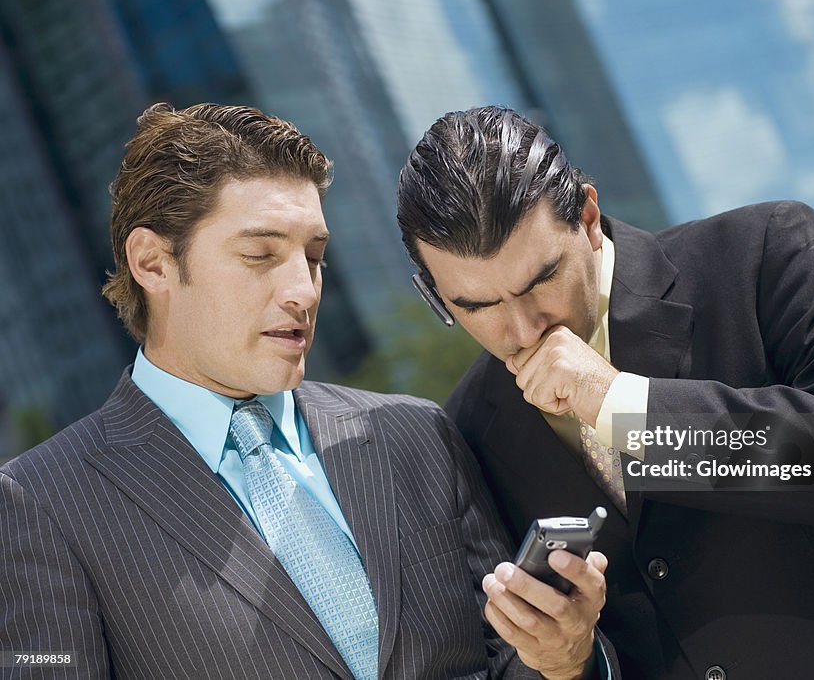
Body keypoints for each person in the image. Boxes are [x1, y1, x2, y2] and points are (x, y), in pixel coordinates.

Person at [395, 106, 814, 679]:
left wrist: (624, 406)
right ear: (436, 295)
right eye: (477, 307)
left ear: (587, 218)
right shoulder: (469, 428)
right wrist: (569, 663)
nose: (523, 328)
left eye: (543, 279)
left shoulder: (762, 253)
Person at [0, 103, 616, 680]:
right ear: (153, 262)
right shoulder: (41, 503)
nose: (304, 289)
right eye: (261, 255)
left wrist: (568, 660)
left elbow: (512, 661)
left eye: (314, 256)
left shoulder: (415, 434)